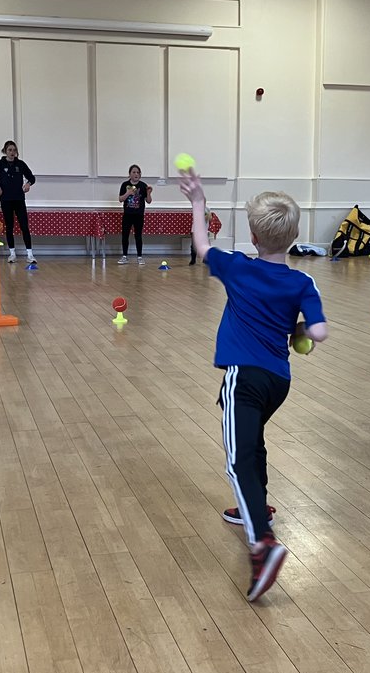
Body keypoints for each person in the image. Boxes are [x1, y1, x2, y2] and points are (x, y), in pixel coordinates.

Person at [179, 169, 327, 602]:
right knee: (254, 440)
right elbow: (318, 334)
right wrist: (297, 329)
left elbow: (202, 246)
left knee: (237, 458)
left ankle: (261, 543)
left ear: (253, 236)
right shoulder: (303, 282)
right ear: (295, 235)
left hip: (242, 376)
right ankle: (257, 507)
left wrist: (198, 203)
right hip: (278, 381)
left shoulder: (237, 267)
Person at [0, 141, 37, 264]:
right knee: (9, 226)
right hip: (6, 200)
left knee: (24, 226)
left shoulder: (21, 164)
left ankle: (30, 254)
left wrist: (28, 184)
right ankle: (12, 254)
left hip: (19, 199)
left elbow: (32, 177)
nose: (12, 153)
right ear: (5, 151)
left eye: (14, 150)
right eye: (10, 150)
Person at [117, 164, 152, 265]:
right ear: (130, 174)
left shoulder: (143, 185)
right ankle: (124, 256)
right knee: (125, 235)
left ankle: (140, 257)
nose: (136, 174)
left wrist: (149, 193)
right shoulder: (125, 185)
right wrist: (128, 193)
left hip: (139, 215)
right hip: (128, 214)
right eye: (134, 172)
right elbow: (120, 199)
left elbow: (148, 201)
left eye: (138, 172)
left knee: (138, 236)